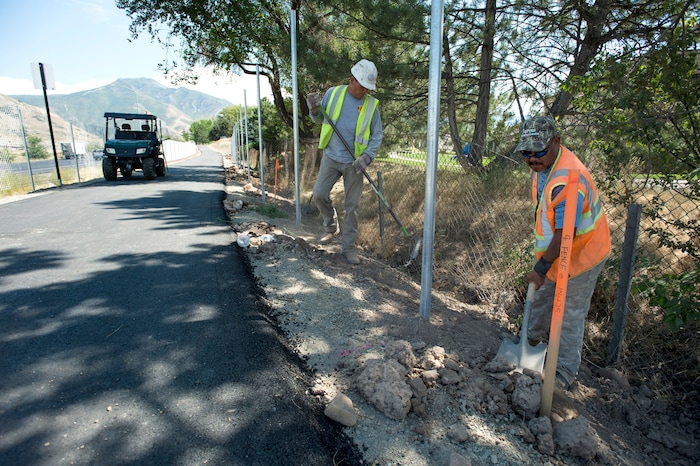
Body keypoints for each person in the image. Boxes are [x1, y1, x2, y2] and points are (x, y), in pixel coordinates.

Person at [516, 115, 611, 390]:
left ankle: (563, 375)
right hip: (556, 251)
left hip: (584, 254)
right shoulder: (544, 167)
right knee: (543, 295)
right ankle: (528, 343)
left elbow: (564, 233)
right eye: (526, 153)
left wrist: (542, 268)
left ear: (556, 142)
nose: (532, 159)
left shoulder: (568, 180)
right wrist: (544, 267)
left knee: (569, 313)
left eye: (539, 151)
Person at [306, 59, 383, 265]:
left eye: (369, 88)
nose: (366, 92)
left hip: (354, 163)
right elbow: (319, 119)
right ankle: (330, 225)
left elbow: (377, 137)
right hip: (332, 156)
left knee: (352, 207)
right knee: (319, 194)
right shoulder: (334, 93)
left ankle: (348, 248)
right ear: (352, 80)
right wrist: (314, 110)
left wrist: (366, 157)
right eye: (363, 87)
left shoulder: (371, 107)